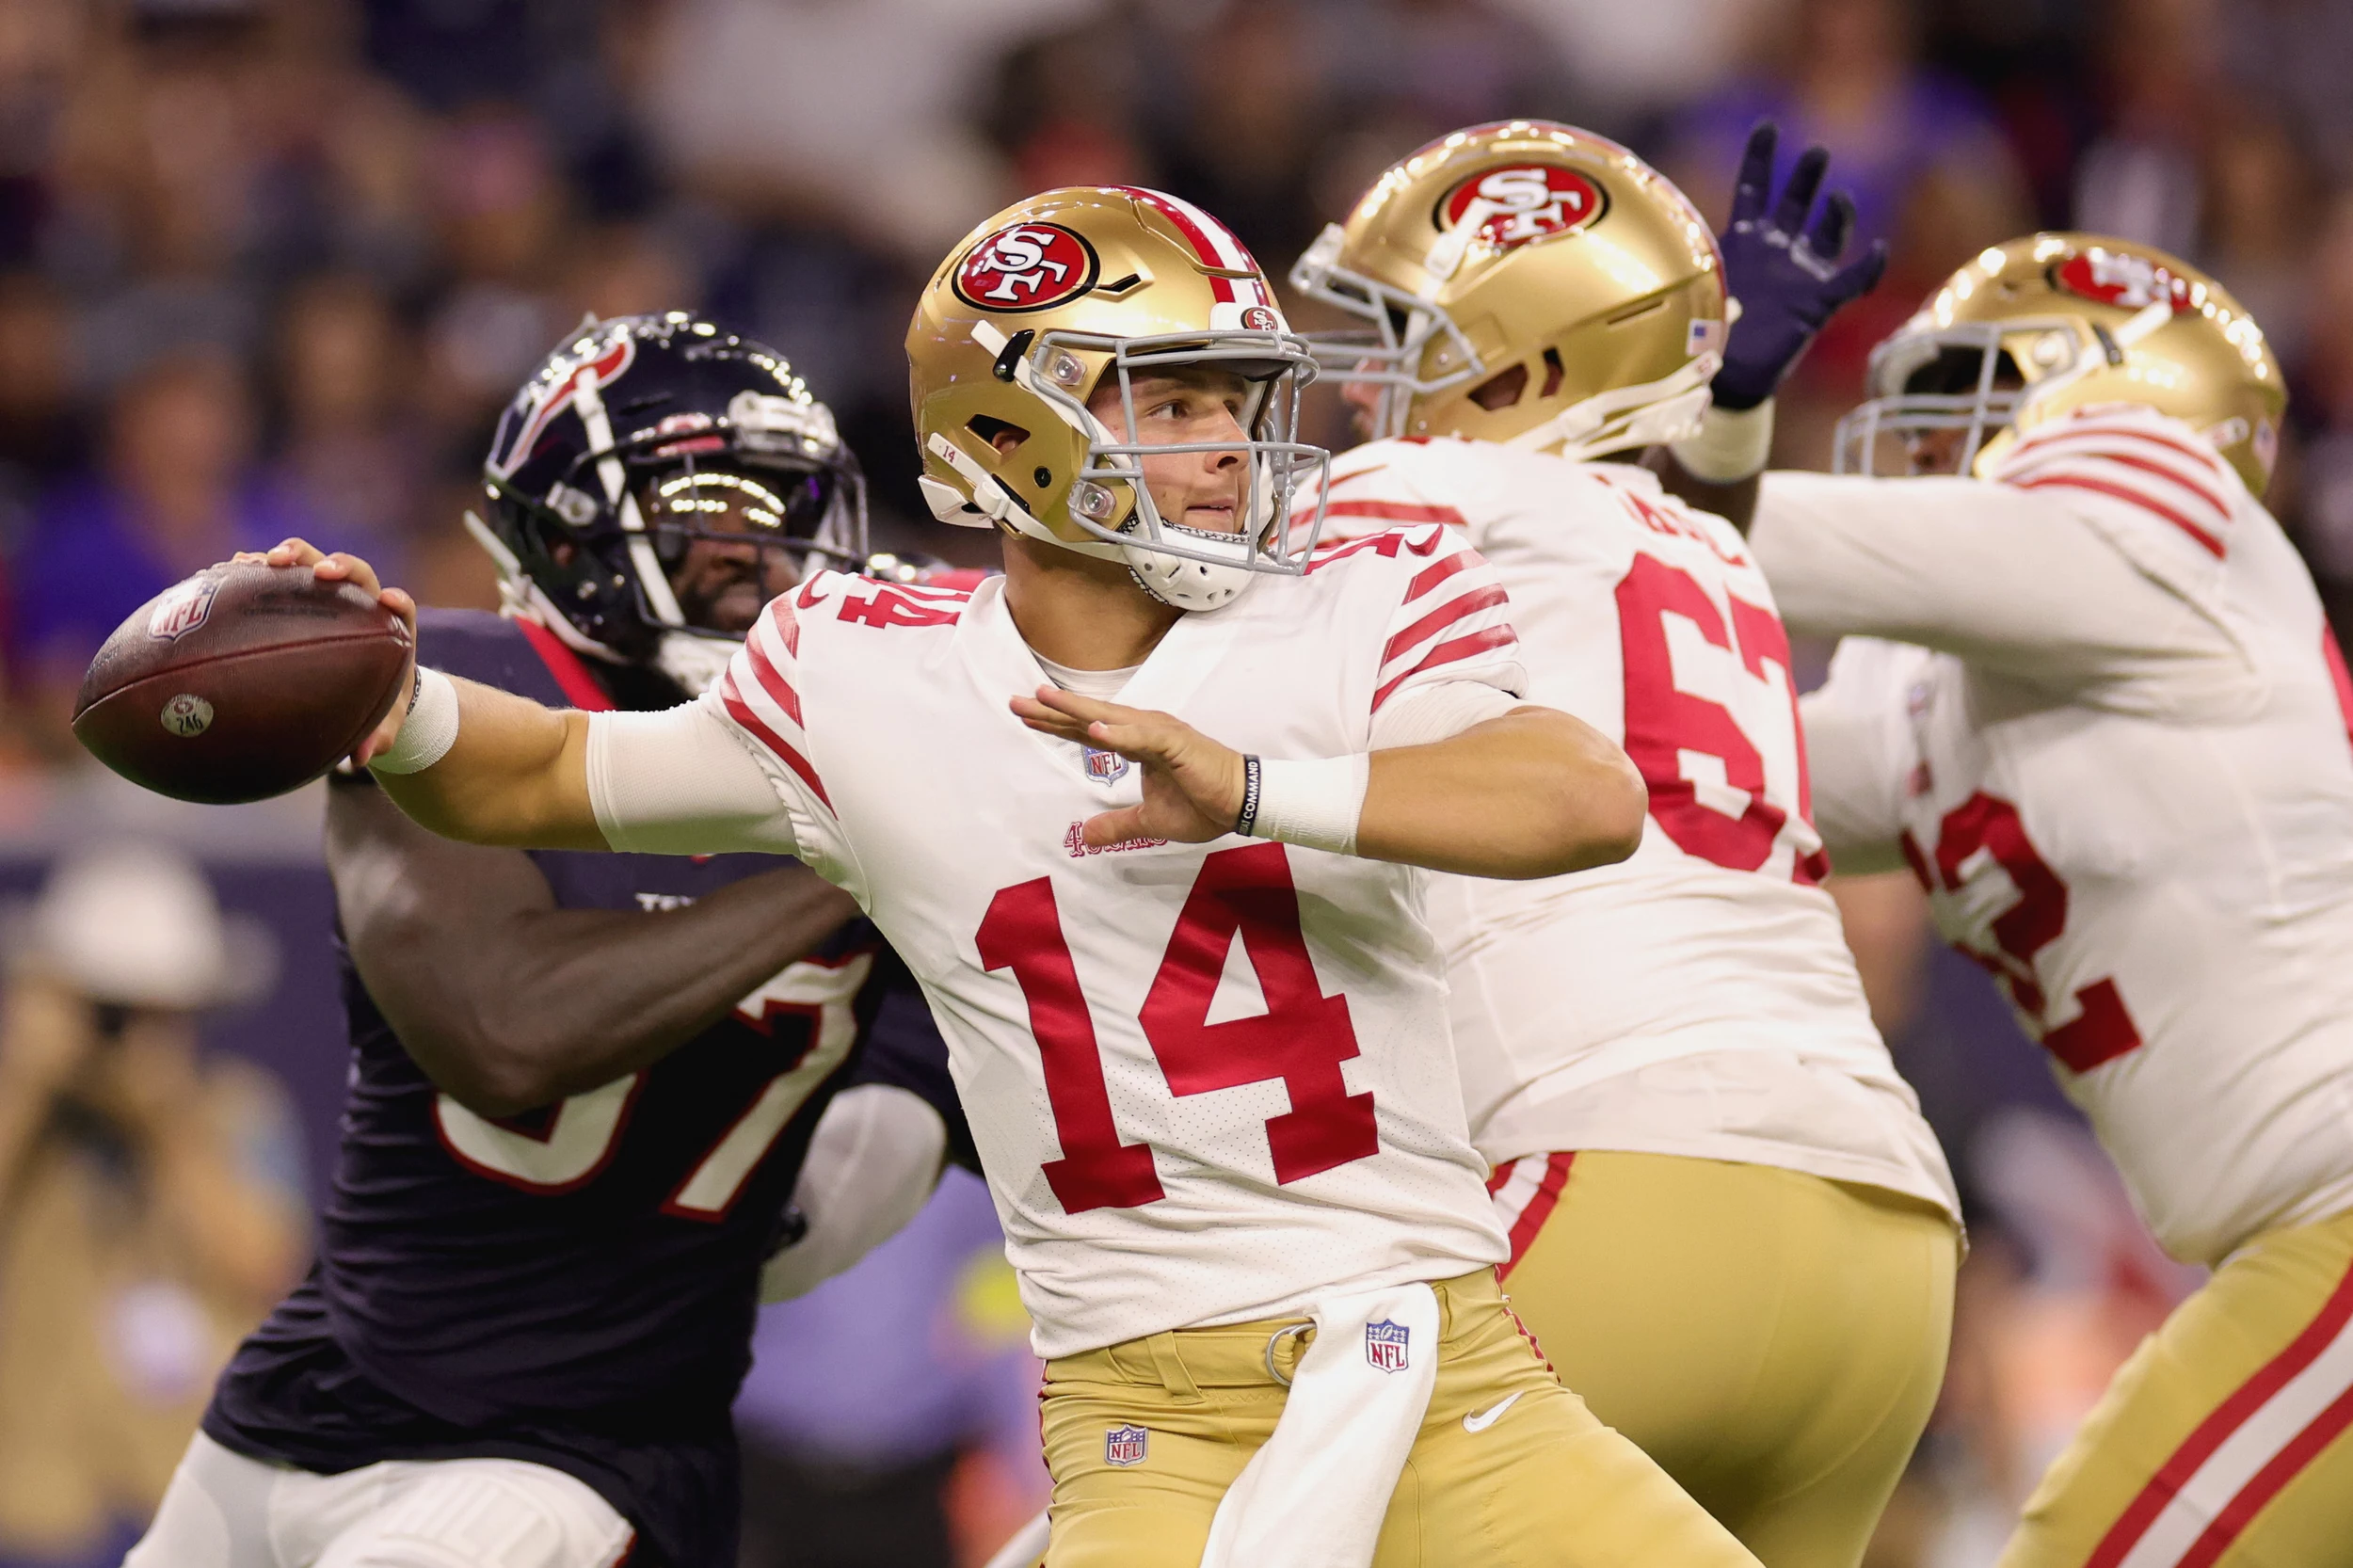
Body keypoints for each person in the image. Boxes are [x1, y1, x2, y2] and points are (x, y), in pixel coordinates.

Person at [257, 185, 1770, 1568]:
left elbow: (1577, 796)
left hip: (1446, 1360)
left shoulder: (1362, 598)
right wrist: (387, 698)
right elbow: (539, 775)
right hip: (1153, 1416)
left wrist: (1250, 791)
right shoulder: (861, 678)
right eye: (1175, 402)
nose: (1232, 449)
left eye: (1239, 405)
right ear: (1010, 433)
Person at [125, 314, 969, 1568]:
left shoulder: (874, 748)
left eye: (790, 504)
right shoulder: (459, 690)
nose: (764, 549)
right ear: (569, 529)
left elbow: (845, 1193)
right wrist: (855, 858)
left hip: (583, 1450)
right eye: (714, 502)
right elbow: (505, 1034)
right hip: (310, 1397)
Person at [1284, 120, 1961, 1568]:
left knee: (1209, 1524)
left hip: (1615, 1173)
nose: (1353, 387)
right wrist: (1724, 420)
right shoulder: (1719, 555)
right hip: (1888, 1242)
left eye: (1397, 341)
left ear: (1524, 372)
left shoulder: (1416, 497)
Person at [1744, 234, 2353, 1567]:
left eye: (1964, 394)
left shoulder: (2180, 519)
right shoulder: (1939, 684)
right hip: (2289, 1245)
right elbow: (1705, 774)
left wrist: (1648, 474)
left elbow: (1750, 544)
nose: (1911, 446)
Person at [0, 843, 306, 1568]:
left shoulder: (238, 1113)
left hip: (185, 1503)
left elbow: (269, 1267)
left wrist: (169, 1123)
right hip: (36, 1506)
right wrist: (30, 1077)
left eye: (155, 1011)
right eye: (108, 1008)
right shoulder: (24, 1122)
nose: (128, 1032)